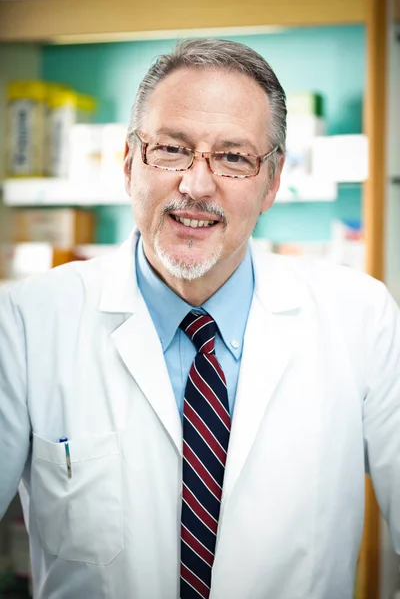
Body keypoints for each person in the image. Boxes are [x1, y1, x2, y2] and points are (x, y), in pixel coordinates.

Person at [0, 38, 399, 599]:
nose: (196, 184)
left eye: (234, 157)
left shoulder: (362, 318)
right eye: (171, 149)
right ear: (129, 161)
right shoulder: (24, 323)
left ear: (272, 181)